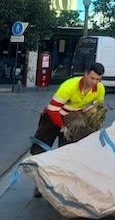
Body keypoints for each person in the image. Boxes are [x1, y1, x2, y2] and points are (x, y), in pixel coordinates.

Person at [29, 62, 105, 196]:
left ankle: (62, 185)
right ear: (86, 74)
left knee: (67, 153)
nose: (95, 82)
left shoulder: (99, 89)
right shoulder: (69, 86)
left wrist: (88, 114)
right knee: (39, 150)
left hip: (73, 120)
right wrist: (62, 126)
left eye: (98, 79)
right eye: (92, 78)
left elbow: (97, 105)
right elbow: (53, 110)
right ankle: (39, 184)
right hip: (53, 118)